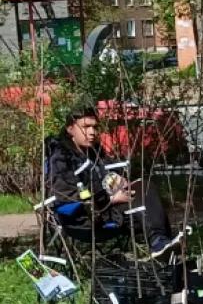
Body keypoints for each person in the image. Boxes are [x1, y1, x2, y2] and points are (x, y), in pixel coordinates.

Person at [46, 106, 179, 258]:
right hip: (85, 217)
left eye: (95, 127)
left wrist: (119, 180)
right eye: (85, 127)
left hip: (109, 209)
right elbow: (66, 195)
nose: (92, 132)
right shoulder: (61, 158)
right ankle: (160, 244)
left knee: (145, 187)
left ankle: (162, 245)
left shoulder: (94, 152)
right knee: (146, 205)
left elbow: (109, 172)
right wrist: (110, 199)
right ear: (70, 129)